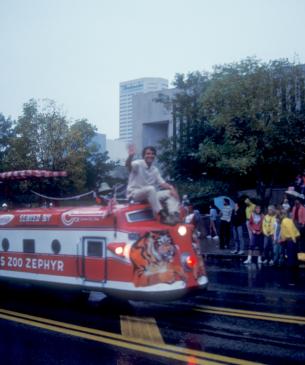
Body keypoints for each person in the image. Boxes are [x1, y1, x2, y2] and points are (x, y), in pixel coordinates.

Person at [126, 144, 180, 225]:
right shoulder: (138, 164)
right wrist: (130, 156)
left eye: (152, 154)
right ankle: (163, 216)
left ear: (154, 156)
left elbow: (162, 183)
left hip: (150, 195)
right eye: (148, 154)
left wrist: (172, 188)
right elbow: (128, 166)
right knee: (151, 189)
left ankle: (174, 216)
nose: (150, 155)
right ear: (143, 155)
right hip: (135, 194)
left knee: (170, 193)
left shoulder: (155, 170)